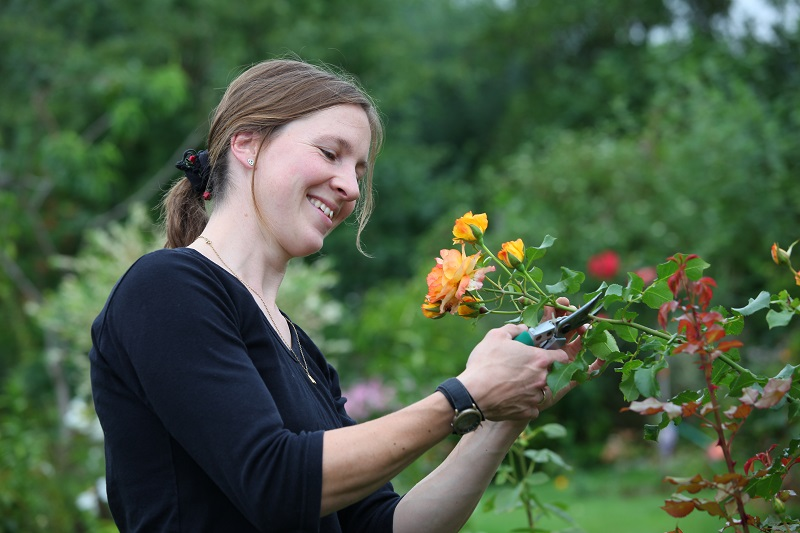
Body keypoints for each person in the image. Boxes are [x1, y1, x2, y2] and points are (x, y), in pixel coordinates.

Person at [89, 58, 592, 533]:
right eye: (331, 154)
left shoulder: (300, 348)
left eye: (359, 171)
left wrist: (503, 414)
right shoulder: (166, 288)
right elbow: (274, 482)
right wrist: (466, 394)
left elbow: (382, 525)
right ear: (247, 144)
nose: (350, 186)